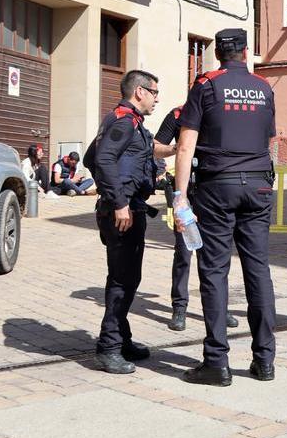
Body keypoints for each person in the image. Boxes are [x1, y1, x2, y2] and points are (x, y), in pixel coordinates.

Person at [173, 28, 277, 386]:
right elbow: (268, 139)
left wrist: (180, 196)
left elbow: (185, 147)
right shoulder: (264, 88)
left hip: (218, 187)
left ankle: (216, 363)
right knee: (258, 271)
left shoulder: (205, 84)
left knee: (214, 271)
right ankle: (265, 361)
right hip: (259, 186)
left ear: (218, 53)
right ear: (246, 52)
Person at [91, 70, 160, 374]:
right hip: (123, 213)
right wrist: (119, 202)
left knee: (125, 279)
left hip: (127, 209)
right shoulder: (124, 121)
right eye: (154, 92)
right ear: (139, 92)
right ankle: (108, 348)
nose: (157, 98)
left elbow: (90, 158)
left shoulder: (120, 120)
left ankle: (122, 339)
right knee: (123, 281)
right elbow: (102, 159)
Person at [154, 103, 238, 332]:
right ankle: (179, 307)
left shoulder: (222, 113)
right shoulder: (178, 114)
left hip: (215, 192)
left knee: (215, 255)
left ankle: (220, 308)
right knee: (183, 251)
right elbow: (156, 147)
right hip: (185, 195)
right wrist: (176, 148)